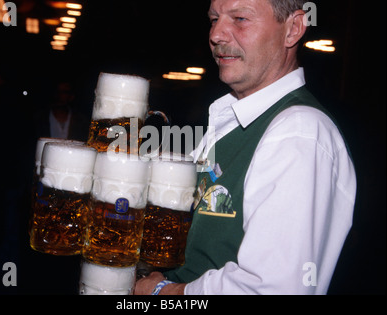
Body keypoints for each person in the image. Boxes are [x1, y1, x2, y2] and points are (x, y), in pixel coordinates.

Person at [135, 0, 356, 295]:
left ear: (293, 29)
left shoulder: (298, 131)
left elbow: (273, 289)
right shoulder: (231, 121)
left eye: (239, 18)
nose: (216, 34)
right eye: (214, 19)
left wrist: (162, 292)